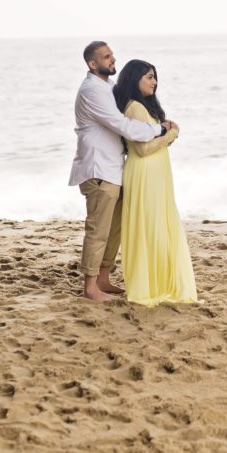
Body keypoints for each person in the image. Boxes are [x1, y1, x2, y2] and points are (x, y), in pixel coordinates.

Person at [68, 41, 177, 302]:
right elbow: (122, 126)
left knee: (115, 229)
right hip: (98, 169)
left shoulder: (107, 89)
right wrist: (162, 130)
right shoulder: (92, 91)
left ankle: (104, 279)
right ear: (93, 64)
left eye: (112, 55)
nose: (112, 59)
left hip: (114, 170)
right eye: (106, 57)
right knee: (98, 230)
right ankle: (90, 288)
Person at [113, 59, 198, 306]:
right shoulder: (136, 108)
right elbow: (142, 149)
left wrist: (166, 133)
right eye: (149, 77)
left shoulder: (144, 108)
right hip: (144, 173)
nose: (155, 82)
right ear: (135, 79)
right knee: (150, 227)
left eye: (155, 76)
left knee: (159, 226)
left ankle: (157, 281)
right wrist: (172, 133)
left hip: (156, 174)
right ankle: (150, 285)